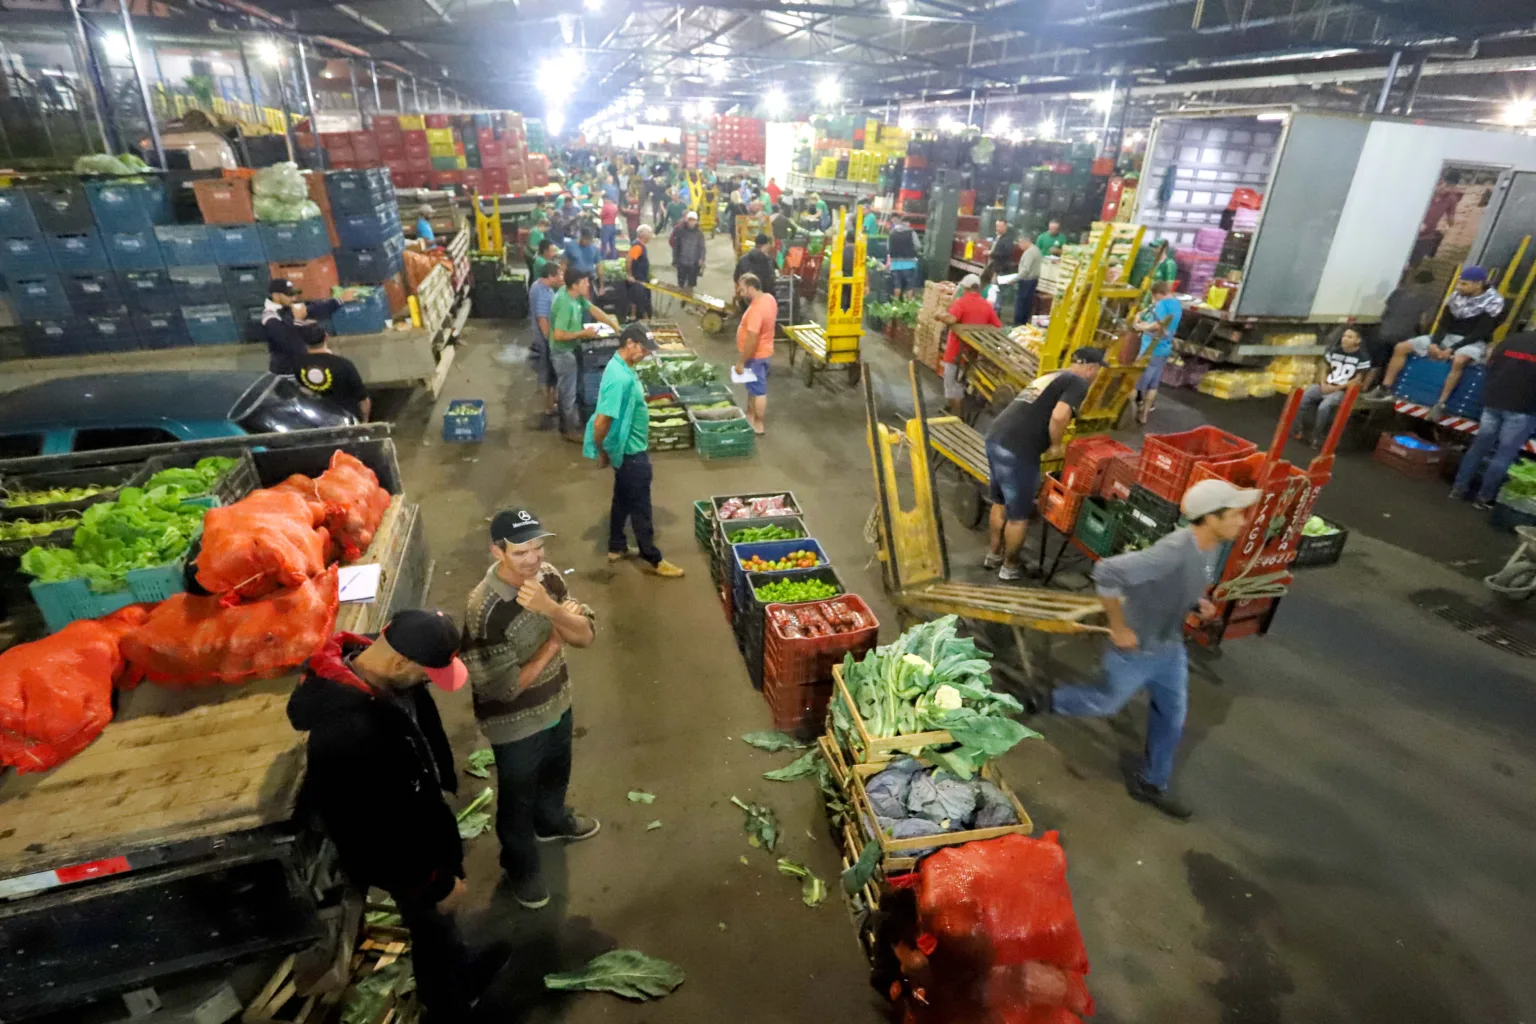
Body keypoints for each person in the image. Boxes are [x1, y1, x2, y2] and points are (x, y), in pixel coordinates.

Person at [288, 609, 489, 1019]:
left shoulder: (376, 663)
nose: (428, 682)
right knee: (430, 925)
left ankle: (462, 968)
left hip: (422, 818)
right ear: (399, 662)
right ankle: (448, 1003)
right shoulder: (348, 735)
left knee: (443, 928)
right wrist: (435, 883)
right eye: (426, 674)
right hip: (411, 864)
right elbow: (373, 834)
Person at [1034, 478, 1255, 820]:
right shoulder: (1173, 551)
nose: (1242, 521)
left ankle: (1152, 783)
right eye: (1236, 515)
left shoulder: (1209, 547)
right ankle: (1045, 700)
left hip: (1168, 648)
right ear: (1211, 518)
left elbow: (1178, 584)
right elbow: (1105, 571)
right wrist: (1120, 628)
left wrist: (1198, 603)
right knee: (1104, 701)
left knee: (1172, 715)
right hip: (1136, 648)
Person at [462, 508, 598, 910]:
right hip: (514, 723)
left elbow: (585, 634)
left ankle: (551, 821)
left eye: (538, 547)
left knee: (558, 768)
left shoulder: (549, 577)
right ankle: (519, 866)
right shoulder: (483, 609)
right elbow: (503, 689)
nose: (534, 559)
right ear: (496, 552)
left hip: (556, 699)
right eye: (522, 552)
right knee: (517, 796)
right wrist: (553, 644)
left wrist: (550, 609)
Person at [983, 348, 1105, 580]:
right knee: (1019, 514)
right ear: (1091, 368)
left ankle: (994, 555)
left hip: (995, 437)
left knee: (999, 502)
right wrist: (1056, 445)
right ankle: (1010, 568)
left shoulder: (1053, 375)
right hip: (1018, 450)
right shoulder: (1078, 383)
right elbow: (1059, 416)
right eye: (1099, 370)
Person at [584, 323, 685, 578]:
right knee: (641, 506)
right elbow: (601, 421)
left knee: (622, 498)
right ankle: (653, 557)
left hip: (627, 449)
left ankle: (616, 546)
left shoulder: (623, 367)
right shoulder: (619, 378)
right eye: (643, 349)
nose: (646, 354)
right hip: (630, 453)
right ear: (629, 344)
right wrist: (602, 450)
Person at [1367, 266, 1507, 418]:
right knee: (1401, 347)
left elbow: (1481, 332)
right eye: (1460, 282)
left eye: (1464, 284)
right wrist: (1435, 343)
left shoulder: (1494, 302)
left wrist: (1452, 349)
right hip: (1447, 336)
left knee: (1459, 361)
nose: (1458, 286)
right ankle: (1385, 388)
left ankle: (1440, 403)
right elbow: (1443, 324)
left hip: (1472, 341)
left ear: (1478, 284)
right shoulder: (1455, 297)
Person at [1451, 326, 1536, 509]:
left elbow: (1490, 364)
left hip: (1493, 402)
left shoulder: (1511, 340)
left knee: (1478, 448)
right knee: (1503, 455)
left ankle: (1458, 489)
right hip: (1523, 409)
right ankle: (1483, 498)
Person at [549, 267, 621, 442]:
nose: (589, 284)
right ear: (575, 285)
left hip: (571, 349)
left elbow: (592, 309)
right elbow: (558, 335)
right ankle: (568, 431)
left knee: (574, 388)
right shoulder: (565, 303)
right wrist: (583, 334)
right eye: (585, 282)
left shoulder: (574, 295)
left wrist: (614, 326)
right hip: (562, 353)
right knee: (568, 392)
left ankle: (572, 424)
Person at [933, 273, 1000, 416]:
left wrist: (939, 315)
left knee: (952, 386)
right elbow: (997, 326)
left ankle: (956, 417)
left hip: (956, 352)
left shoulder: (961, 302)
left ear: (966, 288)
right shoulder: (986, 305)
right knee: (960, 384)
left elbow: (951, 319)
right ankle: (953, 409)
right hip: (973, 354)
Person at [1294, 326, 1369, 447]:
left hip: (1341, 390)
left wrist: (1335, 388)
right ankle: (1298, 429)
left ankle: (1316, 436)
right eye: (1344, 336)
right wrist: (1323, 383)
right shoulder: (1335, 351)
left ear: (1357, 340)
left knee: (1324, 407)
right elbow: (1325, 368)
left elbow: (1357, 380)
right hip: (1326, 384)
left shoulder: (1363, 357)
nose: (1345, 339)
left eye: (1350, 337)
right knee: (1302, 398)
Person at [1366, 268, 1440, 390]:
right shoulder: (1426, 299)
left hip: (1384, 332)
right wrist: (1422, 332)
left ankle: (1364, 389)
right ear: (1429, 284)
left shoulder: (1397, 293)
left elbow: (1384, 312)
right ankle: (1382, 389)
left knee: (1376, 363)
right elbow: (1423, 321)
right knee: (1393, 363)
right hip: (1404, 335)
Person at [260, 278, 351, 376]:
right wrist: (299, 321)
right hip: (285, 373)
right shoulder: (270, 317)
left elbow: (316, 310)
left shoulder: (288, 308)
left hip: (300, 367)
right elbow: (288, 343)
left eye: (294, 294)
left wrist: (340, 300)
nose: (293, 298)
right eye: (289, 295)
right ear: (275, 296)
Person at [294, 324, 370, 421]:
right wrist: (365, 421)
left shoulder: (298, 364)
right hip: (346, 418)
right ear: (326, 337)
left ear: (304, 341)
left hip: (317, 419)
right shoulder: (343, 364)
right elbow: (363, 400)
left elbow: (302, 390)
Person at [1132, 280, 1183, 426]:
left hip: (1151, 348)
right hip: (1164, 348)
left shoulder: (1162, 304)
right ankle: (1145, 416)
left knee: (1136, 383)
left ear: (1158, 294)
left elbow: (1157, 325)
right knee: (1153, 385)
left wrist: (1139, 326)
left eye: (1155, 297)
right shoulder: (1176, 304)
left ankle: (1131, 414)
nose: (1154, 300)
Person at [734, 272, 777, 435]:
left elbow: (752, 338)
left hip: (756, 356)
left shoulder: (756, 310)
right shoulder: (769, 299)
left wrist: (741, 361)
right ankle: (750, 415)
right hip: (765, 351)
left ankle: (759, 425)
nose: (741, 293)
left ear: (752, 288)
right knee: (753, 387)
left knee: (759, 391)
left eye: (743, 289)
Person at [526, 258, 563, 423]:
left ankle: (552, 401)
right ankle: (549, 408)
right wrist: (551, 342)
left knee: (548, 373)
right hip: (545, 339)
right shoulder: (542, 293)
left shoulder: (539, 286)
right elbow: (543, 320)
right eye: (559, 275)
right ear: (550, 276)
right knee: (549, 374)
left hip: (542, 337)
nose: (561, 277)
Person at [670, 209, 707, 292]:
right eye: (690, 220)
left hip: (693, 264)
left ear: (696, 221)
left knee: (691, 285)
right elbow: (676, 246)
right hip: (682, 262)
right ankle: (681, 297)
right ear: (687, 220)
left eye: (693, 220)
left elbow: (702, 247)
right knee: (681, 283)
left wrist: (702, 258)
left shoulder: (699, 233)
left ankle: (688, 296)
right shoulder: (680, 231)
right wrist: (675, 260)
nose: (691, 222)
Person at [887, 217, 921, 301]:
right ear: (908, 223)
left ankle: (895, 305)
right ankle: (909, 305)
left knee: (897, 285)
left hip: (895, 264)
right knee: (910, 286)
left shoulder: (892, 233)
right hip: (909, 264)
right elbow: (918, 246)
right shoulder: (911, 232)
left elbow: (888, 248)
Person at [626, 224, 654, 320]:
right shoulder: (637, 246)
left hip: (641, 278)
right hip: (638, 279)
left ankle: (633, 316)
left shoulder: (641, 246)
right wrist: (629, 275)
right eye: (649, 234)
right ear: (643, 235)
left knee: (636, 300)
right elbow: (629, 260)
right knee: (642, 302)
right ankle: (645, 320)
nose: (650, 236)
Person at [1014, 237, 1042, 326]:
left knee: (1021, 305)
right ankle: (1023, 324)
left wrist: (1013, 279)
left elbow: (1025, 270)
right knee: (1027, 305)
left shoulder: (1029, 252)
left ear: (1026, 242)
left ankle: (1017, 325)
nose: (1019, 246)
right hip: (1033, 281)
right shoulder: (1036, 250)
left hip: (1026, 281)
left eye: (1020, 243)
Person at [985, 218, 1017, 285]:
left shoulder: (1008, 239)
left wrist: (991, 253)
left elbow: (1006, 253)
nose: (998, 228)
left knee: (994, 287)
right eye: (997, 226)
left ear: (1005, 227)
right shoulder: (997, 237)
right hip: (992, 267)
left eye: (1000, 226)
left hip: (1000, 269)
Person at [598, 195, 620, 260]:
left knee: (604, 243)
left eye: (603, 200)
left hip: (606, 226)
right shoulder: (615, 206)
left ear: (606, 199)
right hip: (613, 225)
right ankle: (613, 258)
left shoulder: (605, 207)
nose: (603, 201)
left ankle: (603, 258)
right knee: (612, 243)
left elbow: (601, 216)